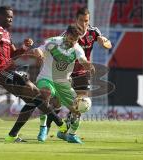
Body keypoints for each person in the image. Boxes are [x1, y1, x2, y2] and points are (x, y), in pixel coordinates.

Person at [0, 6, 67, 143]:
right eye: (8, 16)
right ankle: (61, 125)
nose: (11, 19)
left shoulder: (6, 34)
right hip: (1, 72)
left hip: (10, 70)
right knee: (36, 93)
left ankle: (12, 135)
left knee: (32, 101)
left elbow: (13, 55)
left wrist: (24, 47)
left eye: (12, 17)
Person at [38, 7, 113, 143]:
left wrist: (104, 42)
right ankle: (46, 128)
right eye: (81, 20)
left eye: (86, 21)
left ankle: (68, 133)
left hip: (82, 73)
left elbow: (107, 44)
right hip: (66, 73)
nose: (84, 24)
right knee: (56, 103)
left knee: (80, 104)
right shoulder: (65, 35)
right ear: (76, 20)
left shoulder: (94, 32)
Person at [30, 24, 95, 143]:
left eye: (75, 40)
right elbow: (38, 49)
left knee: (78, 107)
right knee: (46, 94)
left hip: (63, 83)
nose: (72, 42)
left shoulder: (77, 48)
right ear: (66, 34)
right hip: (46, 78)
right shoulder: (53, 41)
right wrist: (37, 52)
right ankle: (43, 128)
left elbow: (83, 60)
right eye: (71, 38)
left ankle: (70, 134)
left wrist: (88, 65)